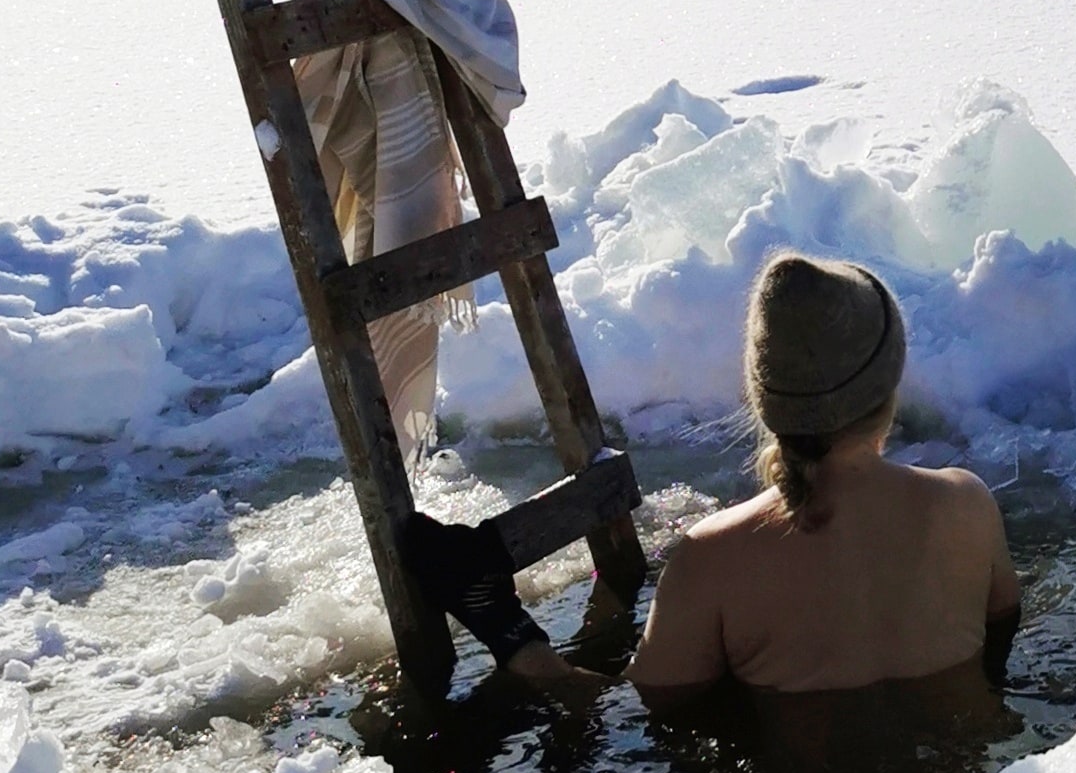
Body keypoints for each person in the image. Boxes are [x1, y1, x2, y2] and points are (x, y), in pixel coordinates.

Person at [403, 255, 1019, 717]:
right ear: (888, 389)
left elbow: (631, 716)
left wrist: (514, 637)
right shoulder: (967, 505)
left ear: (763, 400)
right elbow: (1002, 633)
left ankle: (503, 621)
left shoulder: (713, 559)